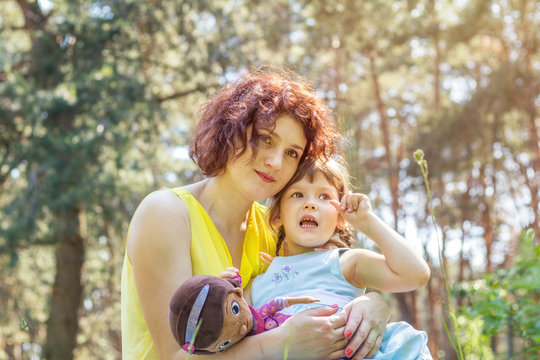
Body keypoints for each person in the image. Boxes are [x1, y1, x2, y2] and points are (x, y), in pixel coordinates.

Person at [121, 69, 391, 360]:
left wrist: (374, 306)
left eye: (292, 153)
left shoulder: (277, 228)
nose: (275, 162)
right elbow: (175, 355)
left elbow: (328, 286)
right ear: (230, 130)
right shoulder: (165, 213)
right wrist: (278, 344)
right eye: (265, 139)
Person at [223, 156, 432, 359]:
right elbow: (228, 331)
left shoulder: (344, 262)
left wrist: (367, 222)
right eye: (297, 194)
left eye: (324, 196)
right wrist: (222, 289)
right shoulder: (257, 284)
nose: (311, 204)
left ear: (340, 217)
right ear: (277, 215)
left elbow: (416, 275)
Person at [168, 275, 319, 354]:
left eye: (234, 309)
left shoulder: (262, 314)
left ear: (238, 293)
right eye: (224, 344)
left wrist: (305, 300)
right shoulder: (244, 349)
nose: (242, 330)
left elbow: (279, 303)